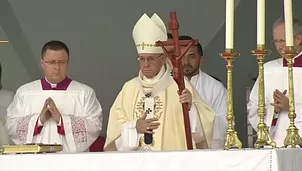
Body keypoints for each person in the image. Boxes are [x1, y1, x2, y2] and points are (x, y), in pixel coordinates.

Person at [104, 13, 215, 151]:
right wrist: (134, 127)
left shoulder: (179, 84)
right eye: (142, 59)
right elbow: (115, 128)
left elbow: (205, 125)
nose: (145, 64)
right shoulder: (129, 88)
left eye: (150, 59)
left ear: (163, 59)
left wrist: (191, 108)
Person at [6, 40, 103, 152]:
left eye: (62, 62)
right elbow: (11, 125)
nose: (57, 67)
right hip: (34, 160)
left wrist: (62, 120)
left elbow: (95, 125)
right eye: (52, 62)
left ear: (68, 63)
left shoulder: (84, 93)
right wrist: (38, 120)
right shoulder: (25, 92)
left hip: (71, 161)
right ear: (42, 63)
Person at [248, 17, 302, 147]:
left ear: (298, 39)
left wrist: (292, 108)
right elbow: (253, 108)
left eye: (282, 41)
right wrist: (274, 111)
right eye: (276, 41)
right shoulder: (268, 69)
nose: (279, 46)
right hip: (275, 145)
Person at [170, 35, 227, 149]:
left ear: (201, 60)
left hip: (205, 153)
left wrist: (196, 113)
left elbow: (224, 124)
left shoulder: (215, 87)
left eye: (191, 57)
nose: (185, 62)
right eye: (181, 57)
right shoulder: (165, 86)